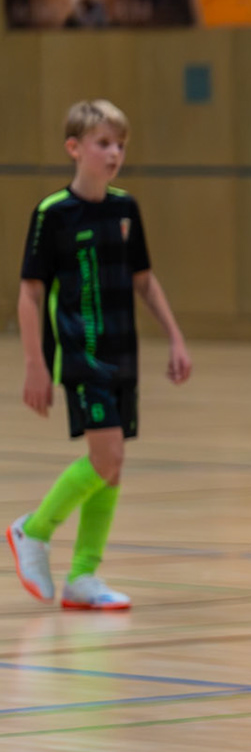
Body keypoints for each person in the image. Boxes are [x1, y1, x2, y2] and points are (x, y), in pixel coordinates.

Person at [9, 99, 191, 610]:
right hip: (81, 353)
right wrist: (34, 363)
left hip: (122, 351)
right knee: (105, 457)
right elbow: (29, 293)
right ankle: (33, 530)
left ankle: (83, 577)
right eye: (103, 144)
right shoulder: (53, 214)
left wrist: (175, 337)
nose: (114, 154)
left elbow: (144, 280)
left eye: (120, 145)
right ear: (74, 148)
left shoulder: (125, 209)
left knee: (113, 464)